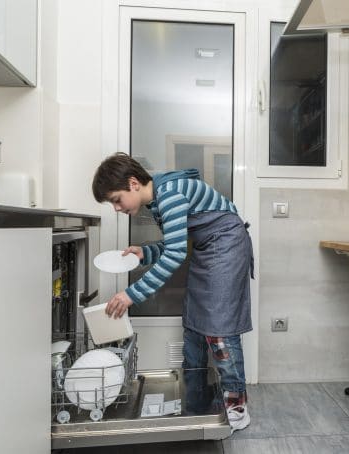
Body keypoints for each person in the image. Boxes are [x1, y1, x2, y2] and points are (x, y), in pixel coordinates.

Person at [91, 152, 253, 433]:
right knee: (193, 323)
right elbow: (176, 243)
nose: (116, 208)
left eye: (116, 199)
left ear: (132, 183)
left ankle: (237, 405)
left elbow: (177, 252)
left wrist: (131, 295)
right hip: (208, 248)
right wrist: (144, 253)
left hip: (227, 246)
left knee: (219, 327)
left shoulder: (170, 194)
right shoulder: (159, 199)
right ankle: (196, 396)